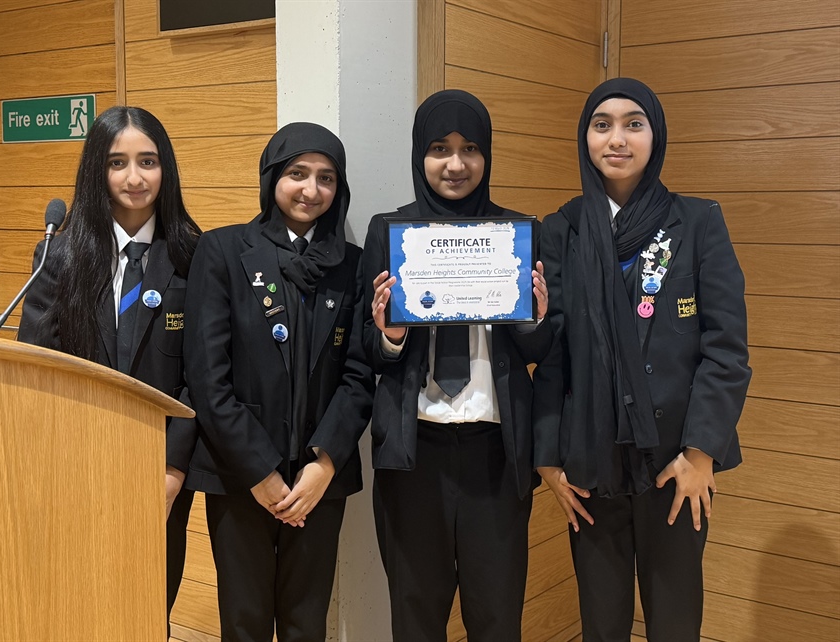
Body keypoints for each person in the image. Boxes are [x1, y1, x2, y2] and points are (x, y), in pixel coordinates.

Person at [534, 78, 752, 641]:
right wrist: (548, 459)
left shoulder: (698, 222)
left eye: (634, 124)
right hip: (590, 466)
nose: (617, 139)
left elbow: (725, 349)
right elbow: (550, 356)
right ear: (585, 138)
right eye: (601, 124)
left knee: (675, 624)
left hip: (676, 465)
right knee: (601, 626)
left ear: (656, 136)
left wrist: (702, 452)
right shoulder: (563, 229)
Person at [363, 89, 551, 641]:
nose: (456, 164)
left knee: (496, 619)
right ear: (419, 156)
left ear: (486, 156)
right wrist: (390, 336)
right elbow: (364, 354)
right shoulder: (389, 234)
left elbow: (540, 352)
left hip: (496, 457)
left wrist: (534, 321)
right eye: (439, 149)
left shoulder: (518, 235)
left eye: (470, 148)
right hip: (414, 455)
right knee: (416, 617)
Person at [181, 122, 374, 642]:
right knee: (242, 623)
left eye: (326, 178)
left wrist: (324, 465)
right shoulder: (221, 251)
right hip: (238, 476)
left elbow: (359, 375)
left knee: (305, 623)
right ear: (271, 178)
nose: (311, 190)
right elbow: (207, 378)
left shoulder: (352, 266)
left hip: (317, 483)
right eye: (297, 174)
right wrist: (261, 472)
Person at [17, 105, 202, 630]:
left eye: (148, 161)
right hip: (77, 461)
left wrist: (173, 470)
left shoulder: (193, 254)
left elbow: (202, 374)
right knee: (79, 602)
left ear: (166, 169)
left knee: (148, 604)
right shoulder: (61, 254)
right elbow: (40, 366)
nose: (134, 177)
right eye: (117, 163)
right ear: (97, 170)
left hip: (159, 465)